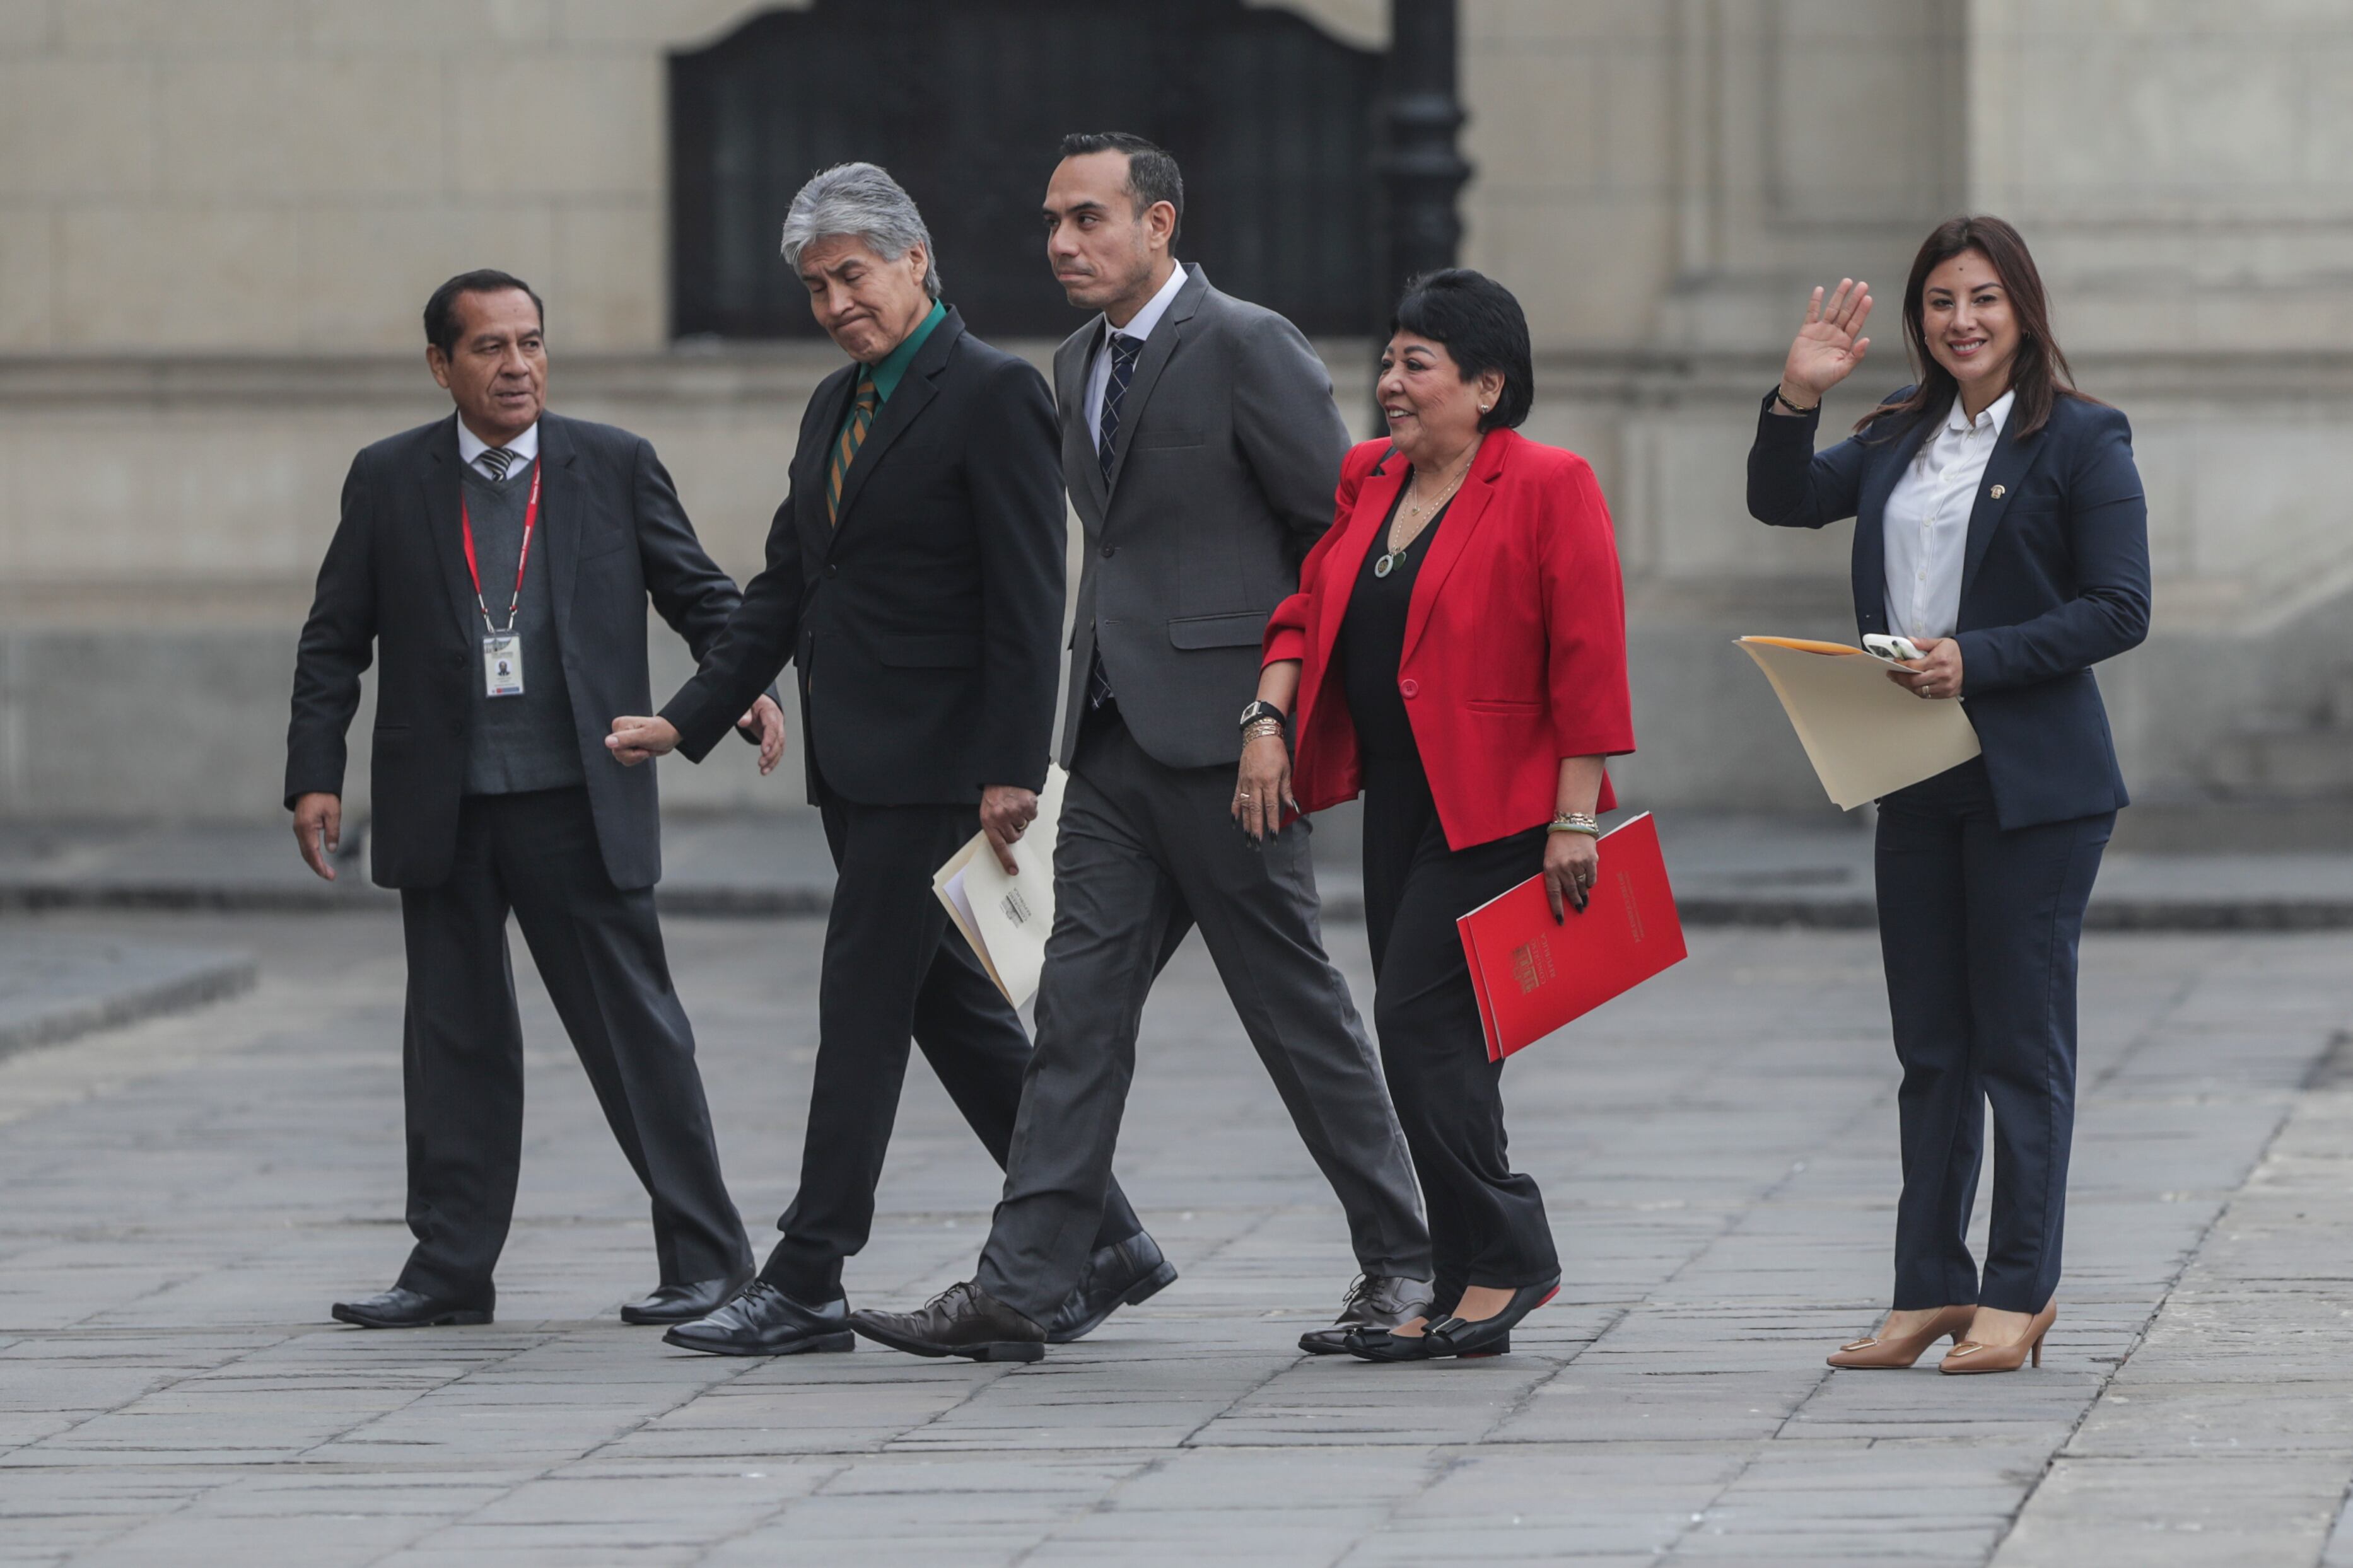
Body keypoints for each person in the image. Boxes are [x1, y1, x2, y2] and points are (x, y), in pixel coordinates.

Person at [846, 133, 1431, 1366]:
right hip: (1107, 741)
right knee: (1074, 1014)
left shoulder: (1245, 342)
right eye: (1053, 221)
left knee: (1295, 1009)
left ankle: (1408, 1255)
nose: (1064, 241)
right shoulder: (1070, 360)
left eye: (1090, 218)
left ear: (1160, 223)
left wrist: (1279, 715)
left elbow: (1333, 545)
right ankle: (1024, 1285)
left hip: (1231, 749)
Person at [607, 163, 1160, 1357]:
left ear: (916, 261)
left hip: (942, 770)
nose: (835, 303)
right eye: (815, 287)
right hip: (856, 769)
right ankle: (1104, 1236)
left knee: (859, 1007)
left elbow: (1029, 592)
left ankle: (807, 1274)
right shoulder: (834, 406)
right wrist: (690, 716)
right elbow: (786, 588)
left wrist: (1016, 762)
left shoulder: (995, 394)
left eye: (852, 275)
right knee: (946, 1012)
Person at [287, 269, 779, 1330]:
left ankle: (708, 1260)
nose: (518, 367)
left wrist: (735, 696)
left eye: (533, 344)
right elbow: (334, 640)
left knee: (636, 1033)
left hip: (578, 792)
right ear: (441, 365)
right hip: (445, 803)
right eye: (491, 349)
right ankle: (448, 1271)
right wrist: (315, 772)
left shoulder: (611, 464)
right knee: (454, 1041)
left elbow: (704, 596)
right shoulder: (387, 479)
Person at [1748, 216, 2151, 1374]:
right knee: (1931, 1048)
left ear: (2022, 308)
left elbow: (2119, 607)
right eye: (1939, 303)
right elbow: (1783, 502)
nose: (1961, 321)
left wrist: (1980, 657)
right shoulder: (1893, 434)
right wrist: (1794, 396)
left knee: (2020, 1047)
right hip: (1912, 772)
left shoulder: (2082, 438)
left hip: (2036, 785)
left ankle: (2019, 1292)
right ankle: (1928, 1286)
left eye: (1982, 299)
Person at [1235, 269, 1634, 1362]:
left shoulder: (1550, 483)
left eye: (1417, 364)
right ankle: (1464, 1284)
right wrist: (1266, 717)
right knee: (1450, 1044)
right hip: (1401, 800)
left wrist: (1576, 818)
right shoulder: (1370, 479)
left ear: (1488, 385)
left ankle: (1512, 1249)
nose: (1389, 385)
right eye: (1389, 361)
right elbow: (1304, 608)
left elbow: (1589, 657)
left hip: (1505, 807)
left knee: (1417, 1029)